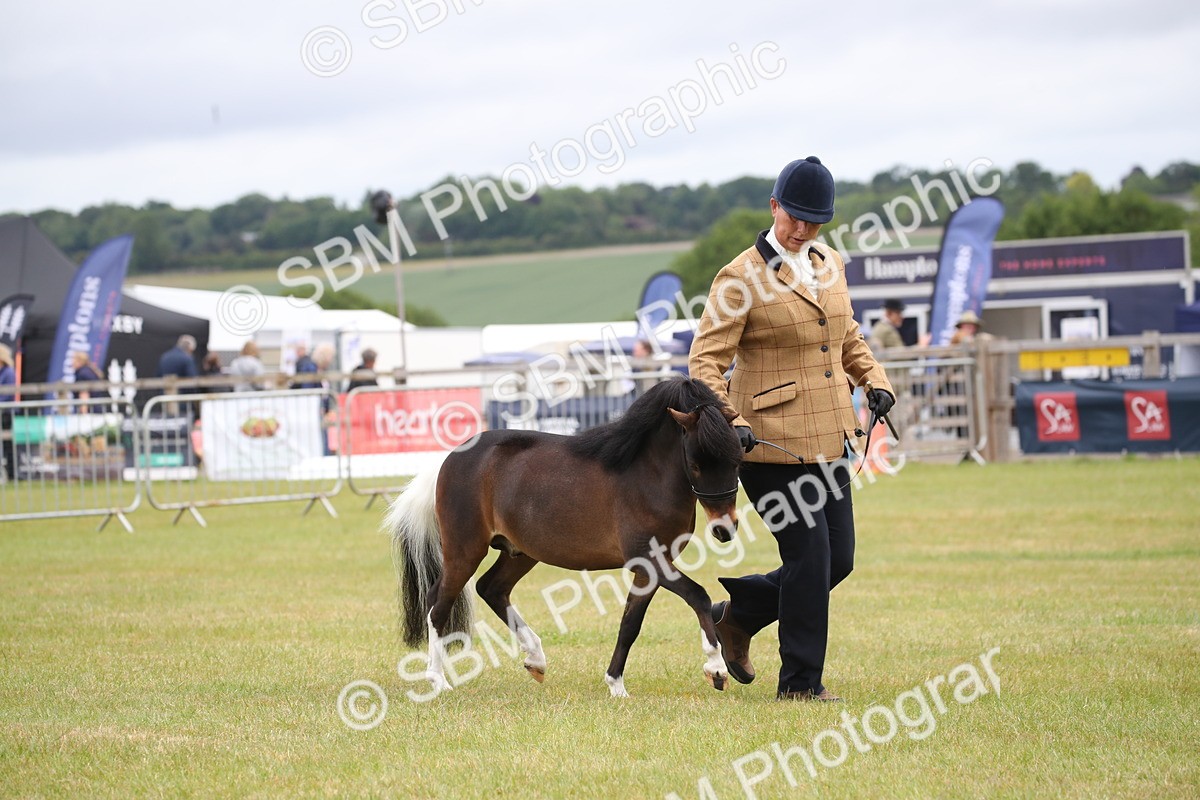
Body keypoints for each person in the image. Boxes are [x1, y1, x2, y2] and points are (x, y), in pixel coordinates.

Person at [689, 156, 896, 702]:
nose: (801, 230)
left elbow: (848, 336)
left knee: (839, 560)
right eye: (793, 217)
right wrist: (729, 422)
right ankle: (801, 684)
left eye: (814, 220)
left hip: (831, 434)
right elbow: (704, 364)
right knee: (808, 560)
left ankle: (738, 615)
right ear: (774, 206)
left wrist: (874, 379)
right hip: (768, 442)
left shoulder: (829, 262)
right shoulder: (739, 278)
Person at [0, 344, 16, 480]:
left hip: (5, 413)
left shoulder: (8, 372)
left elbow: (8, 394)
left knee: (8, 444)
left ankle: (12, 474)